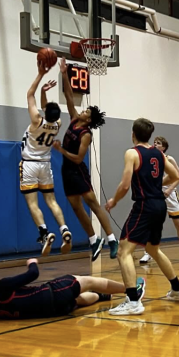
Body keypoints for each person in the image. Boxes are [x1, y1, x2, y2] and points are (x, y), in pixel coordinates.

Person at [105, 118, 179, 316]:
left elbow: (125, 185)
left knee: (123, 252)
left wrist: (113, 201)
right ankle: (177, 288)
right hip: (160, 205)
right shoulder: (159, 154)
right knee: (152, 249)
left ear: (133, 133)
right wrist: (158, 184)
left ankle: (133, 301)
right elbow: (177, 176)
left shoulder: (132, 153)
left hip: (144, 206)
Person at [52, 58, 119, 261]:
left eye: (86, 111)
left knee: (92, 203)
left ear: (88, 120)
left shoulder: (86, 134)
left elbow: (80, 158)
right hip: (66, 170)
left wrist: (61, 151)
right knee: (74, 205)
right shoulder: (74, 119)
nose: (82, 110)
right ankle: (93, 240)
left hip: (77, 169)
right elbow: (70, 96)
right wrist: (64, 73)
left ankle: (112, 239)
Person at [0, 258, 144, 319]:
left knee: (77, 300)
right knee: (88, 281)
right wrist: (32, 262)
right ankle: (132, 290)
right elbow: (33, 275)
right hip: (53, 293)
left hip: (53, 311)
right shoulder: (0, 288)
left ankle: (102, 297)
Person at [20, 63, 72, 256]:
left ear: (44, 113)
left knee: (33, 203)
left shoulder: (36, 120)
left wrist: (40, 75)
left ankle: (44, 232)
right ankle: (64, 228)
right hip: (45, 165)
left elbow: (29, 95)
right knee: (51, 201)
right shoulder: (57, 124)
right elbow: (45, 106)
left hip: (30, 165)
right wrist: (45, 92)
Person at [139, 136, 179, 265]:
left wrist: (170, 190)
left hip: (169, 194)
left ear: (164, 147)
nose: (155, 144)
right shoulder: (150, 158)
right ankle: (148, 252)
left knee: (178, 224)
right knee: (151, 224)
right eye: (154, 142)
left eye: (158, 143)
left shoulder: (169, 159)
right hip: (154, 194)